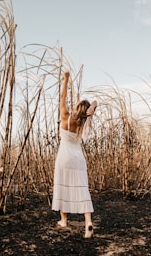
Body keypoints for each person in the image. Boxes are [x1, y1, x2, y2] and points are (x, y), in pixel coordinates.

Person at [52, 71, 97, 238]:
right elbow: (95, 102)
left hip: (64, 157)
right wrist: (92, 107)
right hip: (78, 159)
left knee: (62, 185)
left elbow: (62, 96)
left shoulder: (65, 116)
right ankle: (88, 223)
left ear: (77, 107)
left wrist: (66, 80)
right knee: (82, 189)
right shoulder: (83, 123)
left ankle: (63, 220)